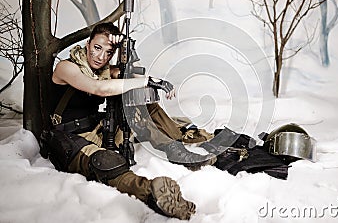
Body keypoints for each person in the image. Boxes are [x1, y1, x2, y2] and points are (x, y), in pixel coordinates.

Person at [45, 22, 216, 220]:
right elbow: (98, 88)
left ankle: (176, 148)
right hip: (71, 140)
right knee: (106, 162)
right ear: (88, 44)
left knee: (140, 99)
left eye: (108, 52)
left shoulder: (105, 71)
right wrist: (143, 80)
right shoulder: (66, 67)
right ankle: (151, 192)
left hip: (98, 131)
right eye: (97, 48)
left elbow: (132, 75)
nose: (101, 57)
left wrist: (129, 53)